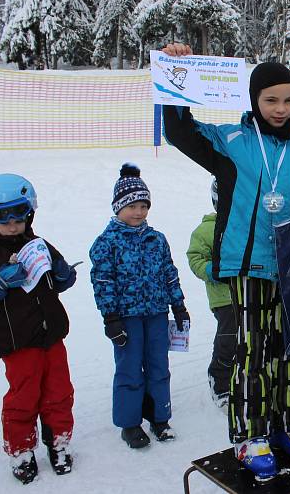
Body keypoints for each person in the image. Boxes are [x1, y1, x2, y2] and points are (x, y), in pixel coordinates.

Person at [160, 43, 290, 482]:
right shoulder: (232, 142)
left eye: (288, 100)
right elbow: (181, 132)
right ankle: (252, 435)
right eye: (270, 100)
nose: (280, 108)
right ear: (255, 101)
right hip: (249, 266)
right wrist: (176, 71)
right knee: (253, 352)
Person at [0, 174, 77, 484]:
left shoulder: (38, 244)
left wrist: (64, 275)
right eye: (2, 215)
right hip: (17, 344)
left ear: (30, 212)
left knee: (59, 392)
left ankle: (59, 442)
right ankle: (21, 451)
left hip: (51, 336)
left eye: (18, 213)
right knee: (23, 397)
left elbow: (59, 276)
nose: (12, 222)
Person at [89, 163, 189, 450]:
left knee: (159, 366)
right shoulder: (106, 243)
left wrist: (179, 305)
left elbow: (169, 272)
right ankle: (130, 423)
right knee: (130, 369)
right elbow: (103, 282)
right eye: (132, 205)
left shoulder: (156, 239)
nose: (139, 212)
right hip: (127, 318)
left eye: (144, 205)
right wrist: (111, 318)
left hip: (157, 313)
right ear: (118, 207)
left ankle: (160, 417)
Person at [186, 178, 235, 407]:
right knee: (229, 339)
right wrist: (212, 270)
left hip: (251, 292)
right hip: (224, 297)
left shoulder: (248, 226)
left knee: (255, 336)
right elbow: (195, 257)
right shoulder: (206, 229)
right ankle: (220, 381)